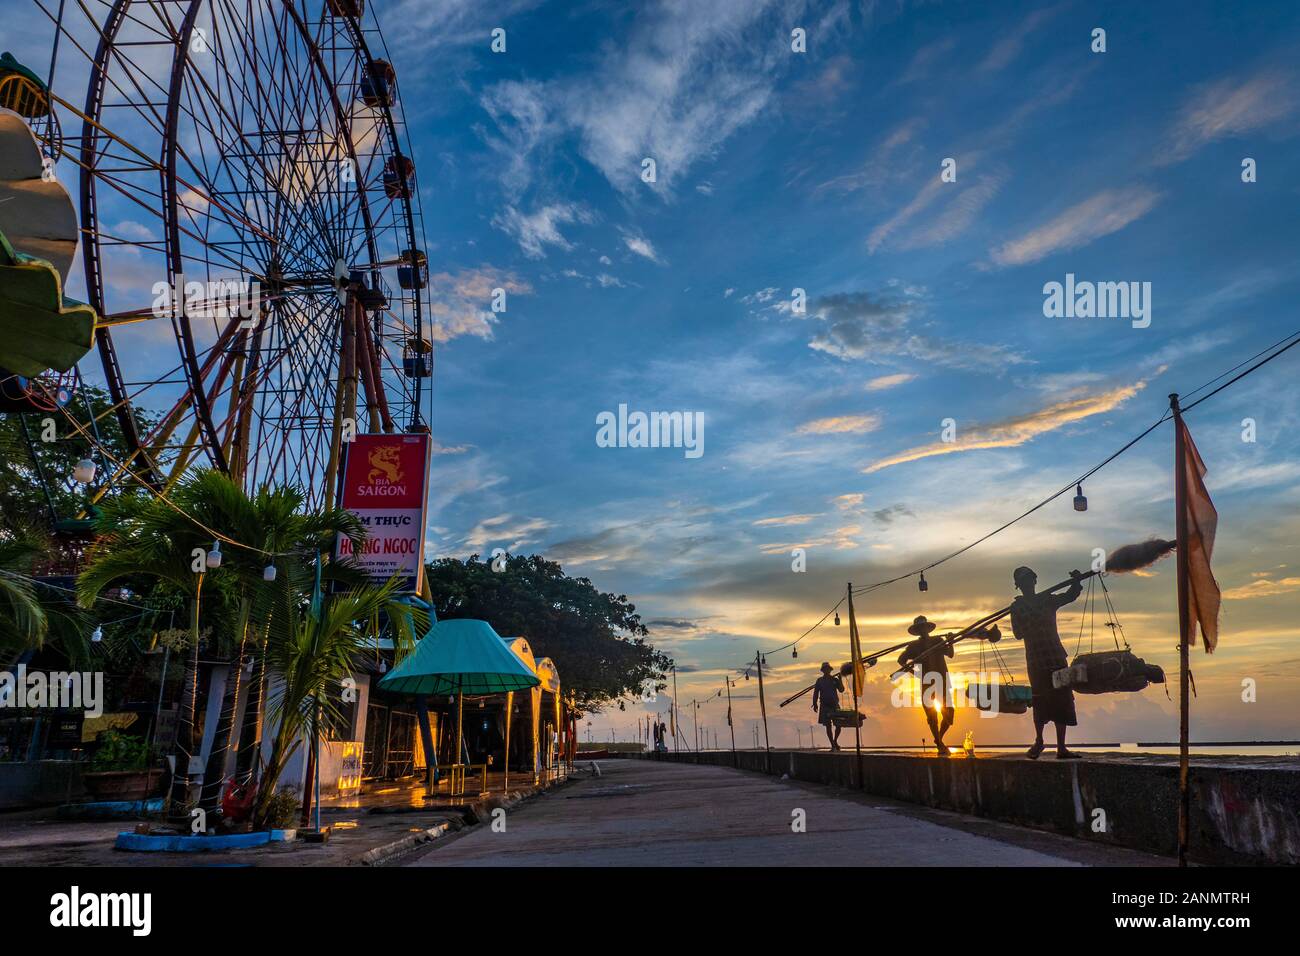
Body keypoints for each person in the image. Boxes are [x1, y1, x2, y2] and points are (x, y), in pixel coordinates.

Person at [1009, 566, 1084, 759]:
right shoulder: (1017, 607)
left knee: (1063, 700)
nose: (1027, 584)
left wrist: (1077, 581)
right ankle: (1039, 740)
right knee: (1039, 700)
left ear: (1034, 581)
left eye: (1029, 580)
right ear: (1020, 586)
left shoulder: (1047, 599)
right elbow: (1018, 633)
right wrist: (1031, 618)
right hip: (1035, 661)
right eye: (1023, 582)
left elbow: (1070, 596)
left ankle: (1061, 747)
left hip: (1056, 657)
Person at [897, 615, 955, 755]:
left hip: (942, 681)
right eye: (920, 628)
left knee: (950, 714)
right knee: (932, 716)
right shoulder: (913, 646)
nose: (923, 630)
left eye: (924, 627)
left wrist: (950, 641)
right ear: (917, 630)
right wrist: (914, 672)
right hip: (926, 683)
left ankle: (938, 739)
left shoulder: (938, 641)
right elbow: (901, 660)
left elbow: (950, 654)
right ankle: (940, 744)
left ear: (928, 628)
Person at [811, 662, 845, 750]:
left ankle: (835, 741)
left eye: (828, 669)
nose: (827, 670)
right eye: (825, 669)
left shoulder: (834, 680)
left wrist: (840, 679)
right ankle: (833, 745)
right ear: (823, 671)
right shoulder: (819, 681)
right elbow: (815, 693)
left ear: (830, 670)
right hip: (825, 706)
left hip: (834, 705)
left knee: (838, 724)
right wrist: (815, 703)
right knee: (828, 726)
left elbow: (841, 690)